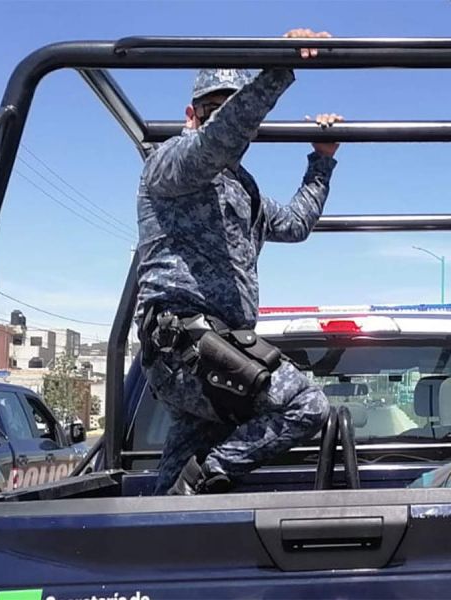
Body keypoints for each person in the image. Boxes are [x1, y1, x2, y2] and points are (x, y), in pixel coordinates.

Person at [135, 28, 343, 496]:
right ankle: (199, 483)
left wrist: (321, 160)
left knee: (180, 468)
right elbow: (217, 142)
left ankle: (164, 530)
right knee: (306, 405)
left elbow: (293, 224)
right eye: (213, 111)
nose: (225, 121)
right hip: (185, 345)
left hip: (217, 350)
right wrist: (278, 70)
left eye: (234, 108)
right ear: (191, 117)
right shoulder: (170, 164)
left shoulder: (244, 189)